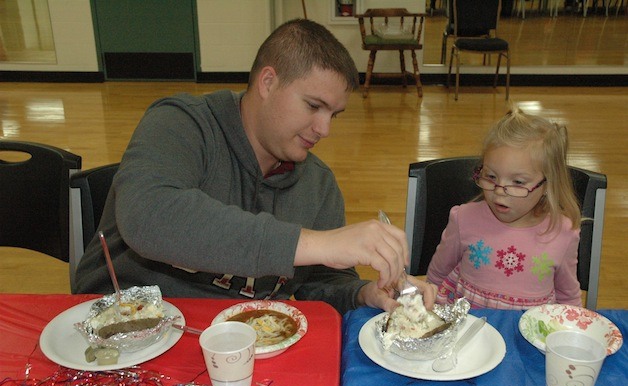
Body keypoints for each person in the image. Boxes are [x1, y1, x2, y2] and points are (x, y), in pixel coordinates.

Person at [74, 19, 435, 314]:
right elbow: (149, 216)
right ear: (268, 82)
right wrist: (314, 243)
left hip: (238, 353)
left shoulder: (318, 184)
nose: (324, 129)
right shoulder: (180, 124)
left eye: (333, 115)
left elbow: (320, 284)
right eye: (313, 106)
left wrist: (363, 293)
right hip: (119, 334)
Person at [426, 108, 582, 309]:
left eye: (517, 182)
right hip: (467, 332)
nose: (499, 191)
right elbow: (436, 277)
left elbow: (568, 298)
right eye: (491, 177)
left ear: (547, 185)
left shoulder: (563, 233)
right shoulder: (463, 219)